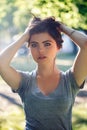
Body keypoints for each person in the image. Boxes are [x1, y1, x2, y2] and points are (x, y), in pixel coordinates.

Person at [0, 16, 87, 130]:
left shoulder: (70, 80)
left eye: (47, 44)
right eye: (34, 45)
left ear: (58, 46)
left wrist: (61, 27)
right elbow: (1, 63)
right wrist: (26, 35)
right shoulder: (24, 82)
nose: (40, 50)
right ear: (30, 49)